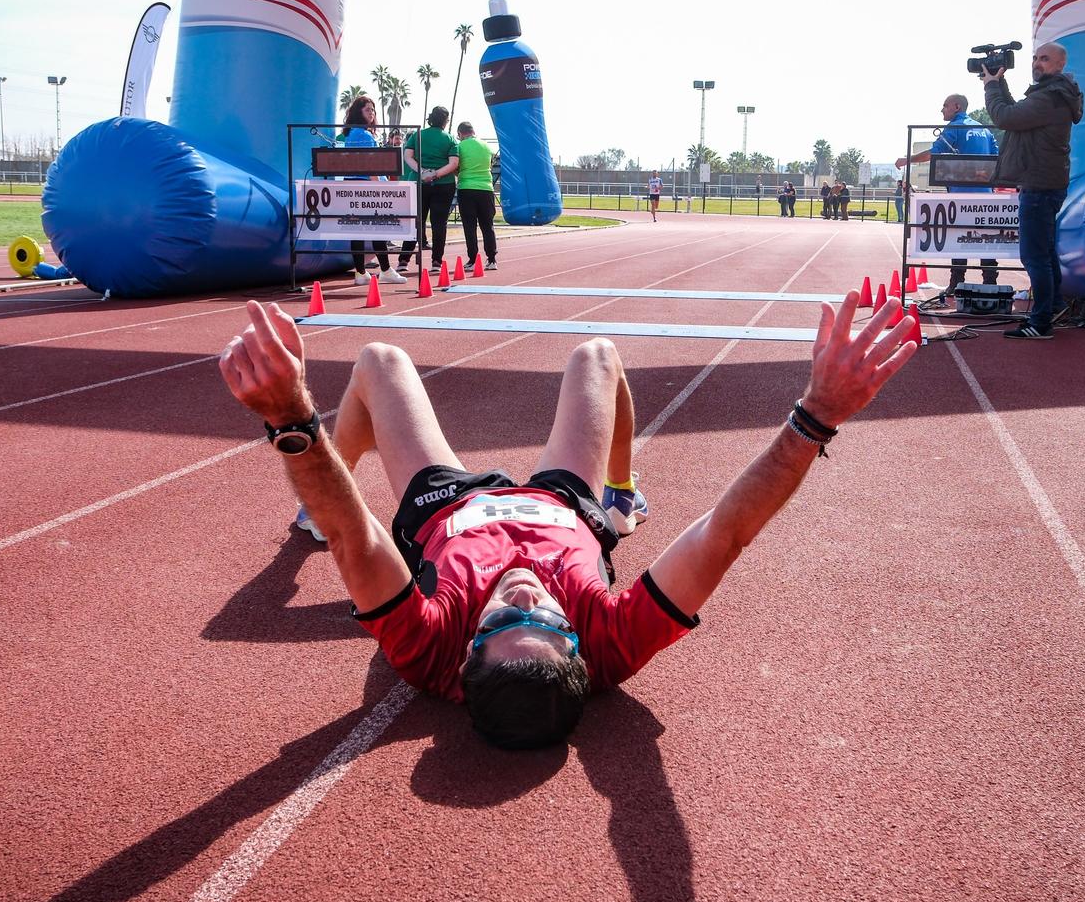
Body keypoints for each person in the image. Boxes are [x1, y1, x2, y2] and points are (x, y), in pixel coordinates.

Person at [221, 291, 917, 749]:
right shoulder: (610, 638)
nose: (525, 598)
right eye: (549, 622)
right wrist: (817, 415)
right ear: (577, 649)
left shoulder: (427, 647)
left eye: (500, 621)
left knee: (378, 362)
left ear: (467, 655)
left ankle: (301, 504)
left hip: (448, 506)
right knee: (598, 356)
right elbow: (725, 533)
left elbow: (356, 536)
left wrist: (289, 419)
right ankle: (624, 491)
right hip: (566, 506)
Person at [980, 42, 1084, 340]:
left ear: (1060, 64)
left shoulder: (1051, 97)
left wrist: (990, 88)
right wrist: (999, 82)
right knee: (1045, 252)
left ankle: (1040, 324)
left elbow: (1005, 118)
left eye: (1045, 59)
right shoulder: (1053, 94)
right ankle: (1053, 306)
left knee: (1034, 256)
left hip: (1040, 185)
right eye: (1036, 58)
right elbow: (1016, 113)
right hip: (1045, 182)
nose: (1037, 63)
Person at [896, 94, 1000, 304]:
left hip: (961, 195)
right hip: (986, 197)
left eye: (945, 106)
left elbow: (934, 154)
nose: (941, 110)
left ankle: (957, 281)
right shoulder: (985, 129)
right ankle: (990, 282)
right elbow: (997, 157)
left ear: (956, 106)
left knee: (959, 240)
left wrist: (908, 160)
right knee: (987, 240)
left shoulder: (955, 127)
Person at [339, 95, 407, 284]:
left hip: (354, 185)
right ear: (358, 112)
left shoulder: (352, 133)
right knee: (378, 228)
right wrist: (380, 187)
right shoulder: (363, 135)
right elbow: (370, 165)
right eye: (368, 109)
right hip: (366, 186)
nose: (372, 113)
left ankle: (361, 273)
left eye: (373, 109)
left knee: (358, 231)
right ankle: (384, 269)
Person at [399, 107, 459, 274]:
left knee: (416, 221)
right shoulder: (450, 139)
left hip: (418, 182)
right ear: (445, 121)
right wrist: (436, 174)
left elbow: (407, 156)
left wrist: (423, 172)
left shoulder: (417, 135)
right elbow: (453, 163)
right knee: (439, 223)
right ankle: (436, 261)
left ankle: (403, 260)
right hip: (444, 184)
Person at [454, 120, 498, 272]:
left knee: (469, 226)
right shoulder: (487, 146)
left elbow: (456, 166)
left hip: (466, 188)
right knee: (488, 225)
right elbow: (490, 165)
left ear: (460, 134)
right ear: (473, 131)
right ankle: (492, 259)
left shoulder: (459, 146)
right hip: (486, 188)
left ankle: (472, 259)